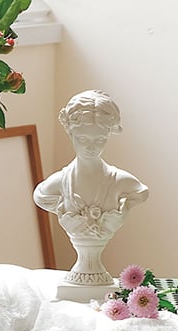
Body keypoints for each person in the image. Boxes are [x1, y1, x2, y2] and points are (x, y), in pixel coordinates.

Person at [34, 91, 148, 292]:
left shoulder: (120, 181)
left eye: (100, 139)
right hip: (73, 283)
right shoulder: (61, 183)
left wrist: (126, 208)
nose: (91, 147)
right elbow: (40, 196)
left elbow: (140, 192)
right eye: (82, 138)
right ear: (70, 133)